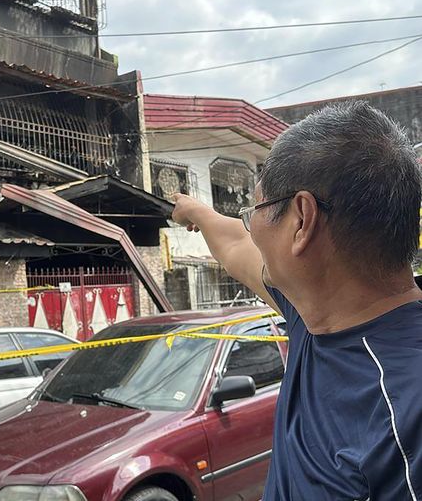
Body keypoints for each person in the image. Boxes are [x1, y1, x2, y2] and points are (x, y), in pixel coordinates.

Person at [171, 101, 422, 500]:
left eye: (255, 210)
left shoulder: (406, 415)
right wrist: (197, 212)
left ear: (302, 220)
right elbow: (235, 242)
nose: (250, 228)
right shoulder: (311, 311)